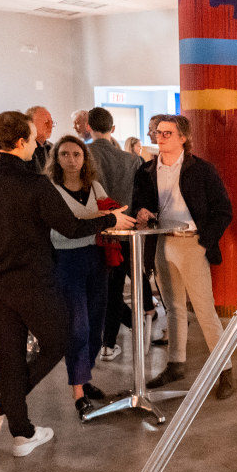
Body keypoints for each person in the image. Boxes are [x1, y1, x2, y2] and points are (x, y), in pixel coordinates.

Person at [0, 111, 134, 457]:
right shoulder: (34, 183)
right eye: (34, 137)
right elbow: (71, 227)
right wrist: (110, 218)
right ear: (22, 142)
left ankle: (22, 433)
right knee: (60, 340)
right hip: (34, 280)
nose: (39, 142)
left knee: (10, 355)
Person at [130, 114, 235, 398]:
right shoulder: (146, 171)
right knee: (173, 307)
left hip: (191, 243)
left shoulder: (201, 170)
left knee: (204, 309)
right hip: (160, 243)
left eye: (167, 133)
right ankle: (176, 363)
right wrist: (140, 213)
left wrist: (204, 239)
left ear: (183, 138)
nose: (159, 137)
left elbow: (224, 210)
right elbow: (138, 204)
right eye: (158, 132)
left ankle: (224, 369)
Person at [47, 135, 112, 413]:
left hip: (96, 258)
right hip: (66, 260)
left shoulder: (94, 186)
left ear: (84, 158)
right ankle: (77, 391)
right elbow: (57, 231)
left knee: (96, 325)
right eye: (64, 154)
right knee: (78, 327)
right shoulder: (50, 189)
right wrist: (91, 222)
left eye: (76, 154)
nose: (71, 159)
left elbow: (106, 217)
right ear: (56, 158)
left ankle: (85, 379)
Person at [87, 107, 144, 362]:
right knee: (115, 289)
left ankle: (90, 344)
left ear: (88, 126)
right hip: (122, 233)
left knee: (91, 290)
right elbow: (137, 195)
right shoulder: (131, 160)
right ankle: (108, 345)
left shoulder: (80, 155)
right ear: (113, 129)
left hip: (88, 233)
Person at [26, 105, 54, 172]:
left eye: (52, 123)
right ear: (30, 123)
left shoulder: (53, 148)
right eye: (46, 122)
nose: (50, 126)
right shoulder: (21, 150)